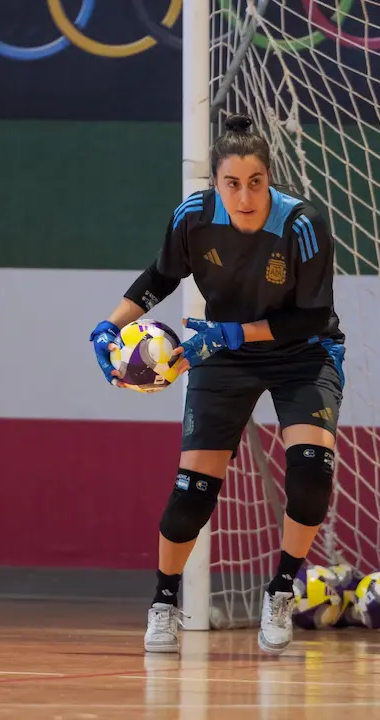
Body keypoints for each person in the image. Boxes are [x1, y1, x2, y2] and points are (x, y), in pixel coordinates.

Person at [89, 114, 346, 655]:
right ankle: (164, 603)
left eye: (255, 182)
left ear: (269, 178)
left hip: (301, 353)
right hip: (224, 355)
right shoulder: (193, 218)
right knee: (192, 494)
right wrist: (110, 324)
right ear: (216, 183)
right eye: (232, 183)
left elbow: (313, 316)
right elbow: (162, 275)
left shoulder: (302, 224)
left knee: (309, 475)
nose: (245, 195)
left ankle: (280, 591)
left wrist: (232, 331)